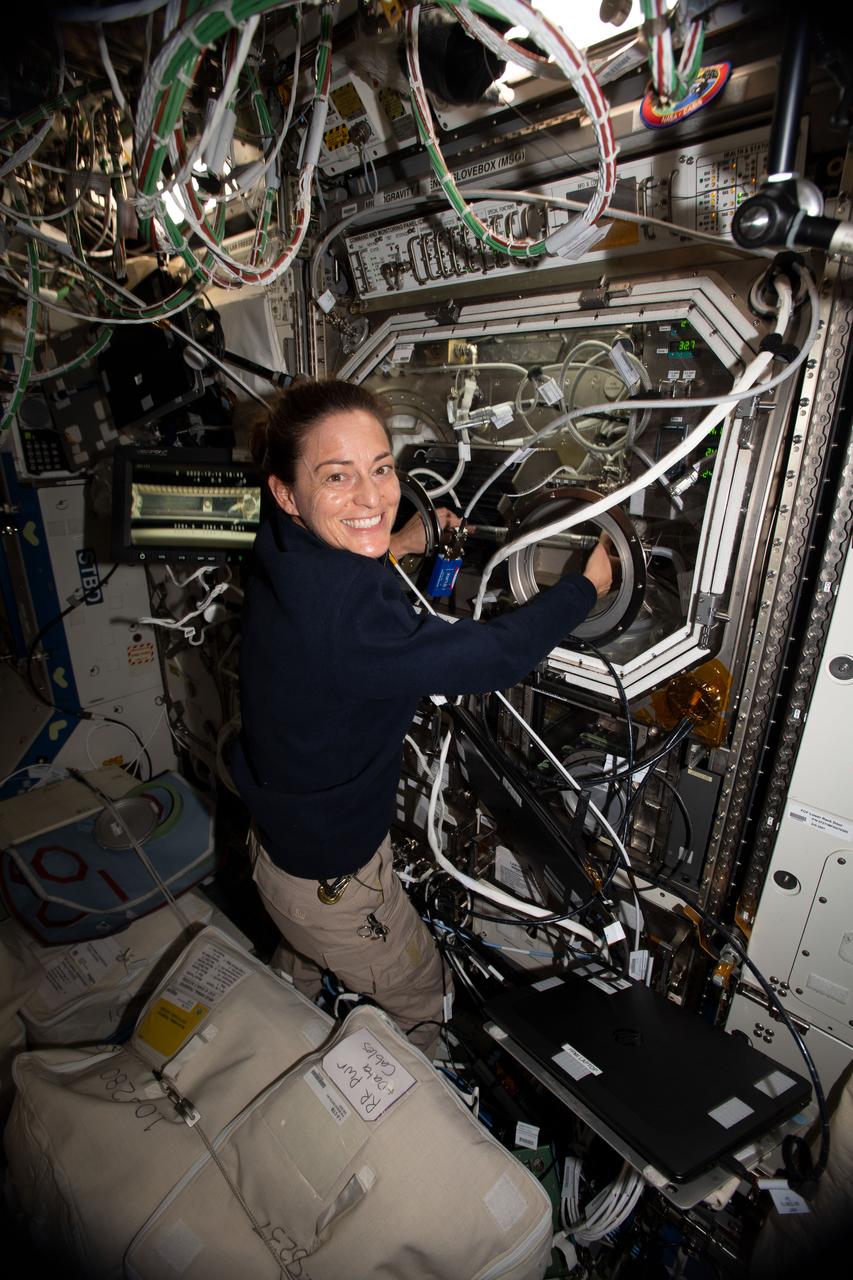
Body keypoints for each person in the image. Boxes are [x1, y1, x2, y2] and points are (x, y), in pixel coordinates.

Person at [231, 379, 612, 1059]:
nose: (373, 495)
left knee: (301, 965)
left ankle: (280, 1047)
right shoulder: (344, 621)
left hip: (279, 858)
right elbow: (493, 656)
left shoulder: (281, 550)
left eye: (380, 469)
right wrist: (584, 590)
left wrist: (400, 541)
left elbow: (342, 569)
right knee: (421, 994)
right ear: (285, 492)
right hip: (334, 884)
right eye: (338, 476)